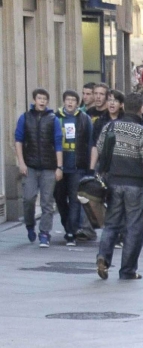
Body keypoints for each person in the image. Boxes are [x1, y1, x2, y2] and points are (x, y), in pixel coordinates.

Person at [94, 92, 143, 280]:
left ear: (124, 106)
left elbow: (100, 150)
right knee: (134, 228)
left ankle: (103, 257)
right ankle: (127, 270)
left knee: (111, 224)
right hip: (135, 184)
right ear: (141, 108)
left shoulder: (110, 126)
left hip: (113, 182)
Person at [15, 88, 63, 247]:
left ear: (47, 102)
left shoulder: (53, 119)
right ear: (34, 100)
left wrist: (59, 167)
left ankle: (44, 233)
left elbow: (58, 144)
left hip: (49, 166)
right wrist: (21, 162)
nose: (42, 101)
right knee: (28, 198)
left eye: (44, 98)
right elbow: (18, 141)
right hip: (30, 165)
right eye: (39, 98)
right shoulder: (25, 118)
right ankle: (30, 224)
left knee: (47, 202)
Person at [54, 90, 93, 246]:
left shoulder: (84, 119)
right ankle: (67, 224)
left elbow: (90, 143)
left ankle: (71, 231)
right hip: (59, 167)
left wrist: (89, 166)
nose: (70, 103)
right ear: (64, 101)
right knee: (59, 198)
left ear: (78, 103)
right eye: (67, 100)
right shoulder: (55, 118)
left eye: (73, 100)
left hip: (77, 166)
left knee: (75, 200)